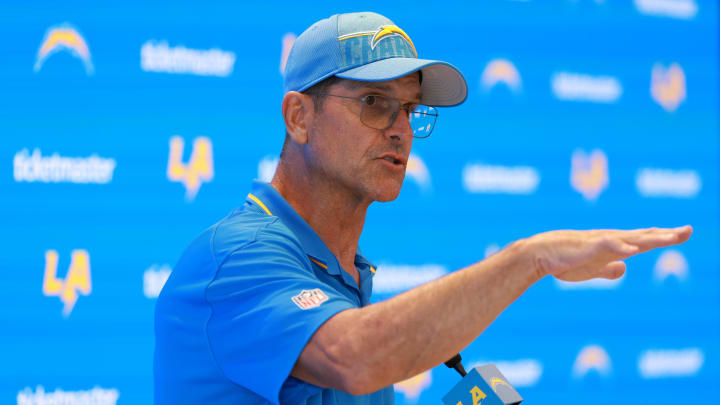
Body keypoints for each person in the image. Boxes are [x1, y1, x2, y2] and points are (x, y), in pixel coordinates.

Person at [153, 11, 692, 405]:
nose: (401, 130)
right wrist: (529, 259)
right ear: (299, 117)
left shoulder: (343, 274)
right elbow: (356, 358)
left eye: (410, 109)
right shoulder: (235, 258)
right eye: (373, 103)